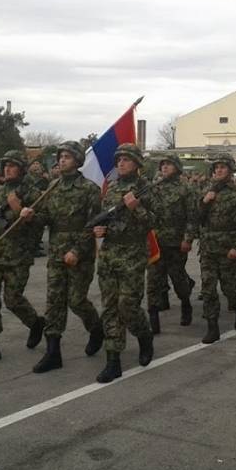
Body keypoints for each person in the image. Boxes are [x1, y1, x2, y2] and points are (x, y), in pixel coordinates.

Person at [26, 141, 104, 374]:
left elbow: (93, 224)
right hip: (58, 251)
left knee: (76, 300)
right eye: (60, 157)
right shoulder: (53, 186)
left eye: (67, 157)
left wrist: (77, 251)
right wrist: (31, 215)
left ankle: (96, 328)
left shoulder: (89, 189)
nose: (62, 160)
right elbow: (47, 219)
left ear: (78, 161)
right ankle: (53, 352)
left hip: (80, 254)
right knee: (54, 301)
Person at [0, 150, 45, 365]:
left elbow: (40, 226)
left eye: (12, 165)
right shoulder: (0, 190)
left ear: (21, 169)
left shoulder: (32, 193)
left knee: (13, 300)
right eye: (5, 165)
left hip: (17, 256)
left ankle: (35, 323)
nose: (7, 168)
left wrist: (22, 212)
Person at [92, 143, 155, 383]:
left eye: (126, 160)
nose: (121, 163)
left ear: (137, 164)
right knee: (109, 307)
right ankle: (113, 360)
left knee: (127, 305)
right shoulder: (112, 189)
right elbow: (105, 218)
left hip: (132, 254)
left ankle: (144, 334)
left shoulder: (147, 189)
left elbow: (153, 222)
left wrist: (136, 207)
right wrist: (100, 230)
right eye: (118, 160)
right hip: (109, 254)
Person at [198, 152, 236, 343]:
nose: (218, 170)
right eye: (216, 167)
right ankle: (213, 327)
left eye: (223, 167)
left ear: (230, 170)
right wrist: (204, 202)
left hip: (228, 248)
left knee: (229, 288)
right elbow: (198, 218)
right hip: (208, 247)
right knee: (208, 289)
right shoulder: (207, 190)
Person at [146, 153, 197, 333]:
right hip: (156, 243)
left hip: (176, 243)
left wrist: (187, 238)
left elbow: (192, 217)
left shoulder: (186, 189)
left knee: (178, 281)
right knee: (153, 282)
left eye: (169, 164)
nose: (165, 167)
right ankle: (153, 318)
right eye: (163, 165)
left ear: (177, 167)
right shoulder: (153, 188)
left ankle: (185, 304)